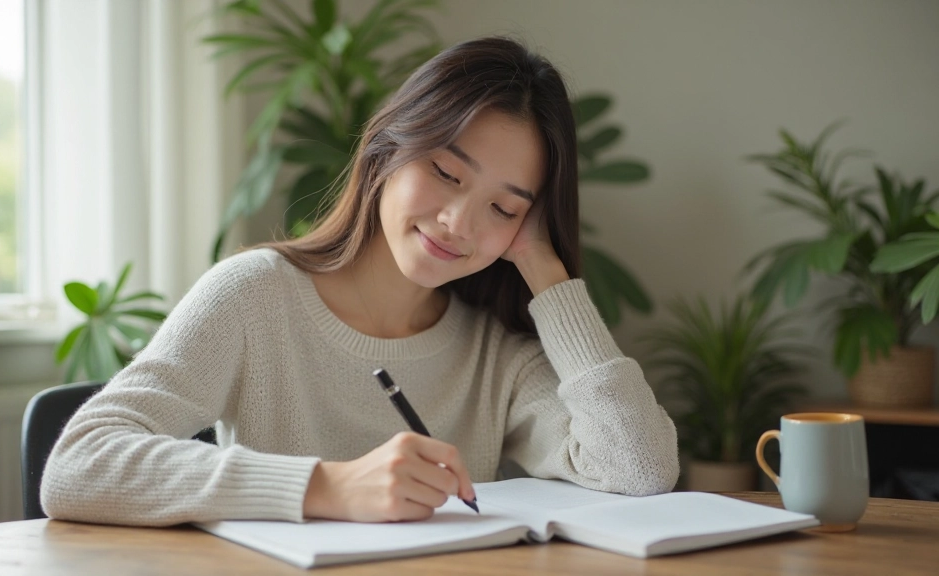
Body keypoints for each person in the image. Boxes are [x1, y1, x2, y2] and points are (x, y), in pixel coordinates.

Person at [41, 36, 679, 526]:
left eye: (505, 209)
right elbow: (78, 464)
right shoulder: (254, 296)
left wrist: (547, 272)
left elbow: (641, 469)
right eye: (446, 173)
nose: (458, 222)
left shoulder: (497, 353)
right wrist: (327, 487)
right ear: (388, 149)